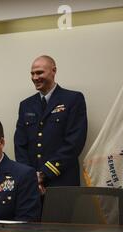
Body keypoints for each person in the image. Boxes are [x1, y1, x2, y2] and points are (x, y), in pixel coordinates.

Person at [14, 55, 87, 193]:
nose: (35, 77)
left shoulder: (73, 99)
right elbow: (20, 144)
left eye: (40, 72)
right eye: (32, 73)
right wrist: (30, 176)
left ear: (53, 71)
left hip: (63, 181)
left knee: (60, 216)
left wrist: (44, 174)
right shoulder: (26, 105)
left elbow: (74, 142)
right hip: (31, 184)